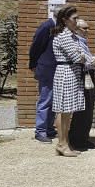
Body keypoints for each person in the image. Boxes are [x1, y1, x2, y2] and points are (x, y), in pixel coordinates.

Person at [50, 6, 87, 157]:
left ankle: (65, 142)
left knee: (67, 112)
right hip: (66, 73)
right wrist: (81, 56)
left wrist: (82, 55)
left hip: (71, 72)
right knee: (64, 111)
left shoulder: (71, 35)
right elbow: (78, 57)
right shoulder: (64, 36)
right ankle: (62, 143)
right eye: (74, 18)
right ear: (65, 20)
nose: (77, 21)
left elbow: (82, 54)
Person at [68, 19, 95, 150]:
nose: (87, 31)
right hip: (82, 75)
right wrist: (93, 62)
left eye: (88, 28)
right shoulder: (75, 42)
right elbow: (79, 60)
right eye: (85, 28)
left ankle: (82, 137)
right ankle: (78, 139)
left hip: (88, 75)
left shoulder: (83, 42)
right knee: (83, 109)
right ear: (77, 29)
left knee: (88, 109)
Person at [28, 9, 57, 143]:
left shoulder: (57, 27)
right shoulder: (47, 26)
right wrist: (33, 64)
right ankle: (40, 131)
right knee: (45, 100)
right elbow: (36, 46)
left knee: (53, 101)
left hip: (54, 69)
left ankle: (49, 128)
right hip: (46, 68)